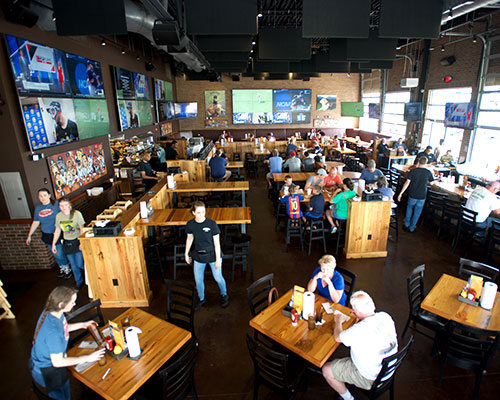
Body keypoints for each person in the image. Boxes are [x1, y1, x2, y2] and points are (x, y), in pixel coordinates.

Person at [30, 286, 105, 400]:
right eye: (72, 302)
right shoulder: (53, 333)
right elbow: (58, 362)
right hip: (49, 372)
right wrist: (87, 358)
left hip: (46, 363)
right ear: (61, 304)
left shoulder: (53, 312)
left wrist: (82, 325)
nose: (74, 304)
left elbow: (63, 328)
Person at [322, 291, 397, 400]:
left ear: (356, 311)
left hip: (370, 378)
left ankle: (348, 398)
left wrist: (338, 321)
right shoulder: (385, 316)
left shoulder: (359, 330)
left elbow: (338, 337)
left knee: (327, 370)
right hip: (388, 370)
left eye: (353, 309)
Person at [185, 202, 229, 310]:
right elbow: (189, 239)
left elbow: (217, 243)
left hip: (213, 255)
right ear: (193, 213)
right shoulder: (190, 224)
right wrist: (186, 253)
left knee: (218, 277)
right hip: (198, 255)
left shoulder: (212, 224)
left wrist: (218, 259)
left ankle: (224, 294)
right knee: (198, 279)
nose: (202, 215)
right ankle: (201, 298)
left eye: (203, 212)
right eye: (199, 213)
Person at [27, 189, 71, 279]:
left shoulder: (56, 205)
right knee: (54, 253)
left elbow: (66, 213)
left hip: (57, 233)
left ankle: (67, 268)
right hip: (46, 235)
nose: (43, 198)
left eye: (44, 195)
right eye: (40, 196)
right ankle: (62, 268)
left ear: (49, 195)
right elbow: (36, 222)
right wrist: (29, 235)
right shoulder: (38, 208)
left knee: (59, 252)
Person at [52, 198, 86, 290]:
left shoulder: (76, 214)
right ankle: (79, 281)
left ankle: (89, 276)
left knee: (80, 264)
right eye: (61, 206)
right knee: (73, 265)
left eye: (66, 205)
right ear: (59, 207)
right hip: (67, 242)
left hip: (77, 240)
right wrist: (54, 243)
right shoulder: (59, 216)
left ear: (69, 205)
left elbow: (82, 228)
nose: (64, 208)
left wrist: (82, 242)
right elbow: (57, 230)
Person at [397, 156, 436, 233]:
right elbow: (431, 183)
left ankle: (406, 224)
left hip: (412, 194)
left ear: (418, 162)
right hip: (422, 195)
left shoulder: (413, 171)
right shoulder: (428, 172)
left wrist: (400, 193)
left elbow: (407, 183)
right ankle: (412, 227)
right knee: (417, 212)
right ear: (426, 163)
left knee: (409, 209)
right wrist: (435, 181)